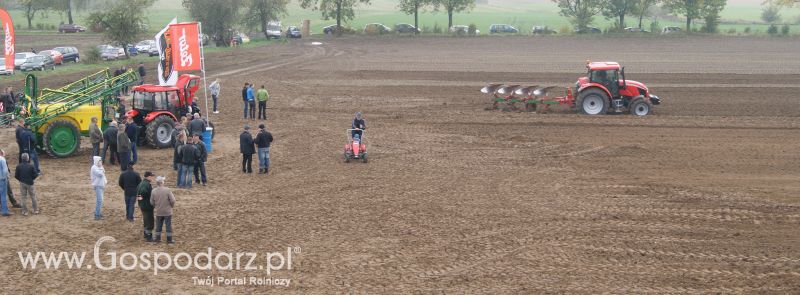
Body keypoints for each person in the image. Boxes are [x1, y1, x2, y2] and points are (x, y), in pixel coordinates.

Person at [151, 176, 175, 244]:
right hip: (167, 211)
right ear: (162, 182)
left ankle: (158, 239)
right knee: (168, 225)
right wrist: (171, 206)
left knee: (158, 225)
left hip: (159, 211)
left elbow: (151, 202)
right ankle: (169, 240)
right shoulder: (167, 190)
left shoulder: (153, 191)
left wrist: (156, 206)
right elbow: (173, 200)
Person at [137, 171, 155, 241]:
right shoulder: (146, 184)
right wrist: (149, 197)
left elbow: (139, 195)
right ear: (148, 176)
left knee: (146, 220)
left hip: (143, 205)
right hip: (147, 205)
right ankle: (149, 236)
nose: (153, 177)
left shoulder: (141, 183)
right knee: (150, 221)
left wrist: (140, 199)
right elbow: (143, 193)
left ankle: (145, 234)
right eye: (152, 176)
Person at [90, 156, 107, 220]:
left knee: (100, 200)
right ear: (97, 161)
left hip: (101, 185)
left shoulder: (99, 166)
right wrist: (101, 168)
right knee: (99, 201)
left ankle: (98, 213)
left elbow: (103, 173)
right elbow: (100, 174)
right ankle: (97, 215)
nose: (101, 162)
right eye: (100, 161)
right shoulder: (94, 167)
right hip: (97, 186)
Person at [0, 149, 11, 217]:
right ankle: (5, 211)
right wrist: (6, 177)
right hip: (2, 179)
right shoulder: (2, 159)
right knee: (3, 195)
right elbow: (5, 170)